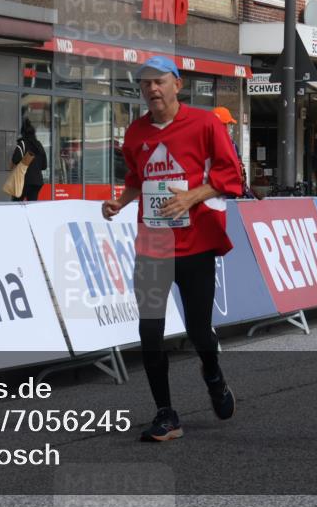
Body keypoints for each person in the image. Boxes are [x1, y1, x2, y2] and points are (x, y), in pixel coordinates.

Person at [102, 55, 243, 442]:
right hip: (153, 245)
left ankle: (213, 374)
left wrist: (192, 197)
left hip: (195, 244)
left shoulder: (205, 124)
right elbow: (136, 178)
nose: (152, 89)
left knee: (199, 331)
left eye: (159, 81)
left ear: (177, 84)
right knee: (149, 330)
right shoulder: (135, 133)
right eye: (145, 83)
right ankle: (166, 414)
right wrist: (121, 201)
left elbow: (231, 176)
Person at [211, 106, 251, 198]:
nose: (230, 128)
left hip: (230, 194)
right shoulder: (220, 147)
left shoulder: (232, 145)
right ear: (222, 126)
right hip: (222, 197)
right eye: (229, 124)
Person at [10, 118, 47, 202]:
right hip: (37, 182)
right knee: (32, 206)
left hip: (24, 181)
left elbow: (15, 160)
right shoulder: (39, 145)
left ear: (23, 133)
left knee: (16, 205)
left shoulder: (22, 144)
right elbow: (44, 166)